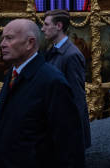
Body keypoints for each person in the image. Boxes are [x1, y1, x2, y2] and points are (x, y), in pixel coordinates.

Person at [0, 18, 85, 168]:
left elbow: (69, 145)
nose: (2, 44)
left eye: (9, 38)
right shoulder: (13, 73)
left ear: (30, 43)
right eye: (2, 38)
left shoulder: (52, 81)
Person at [42, 9, 91, 149]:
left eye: (46, 24)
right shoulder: (54, 50)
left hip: (65, 130)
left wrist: (74, 134)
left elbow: (77, 96)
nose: (42, 28)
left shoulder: (71, 55)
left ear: (58, 26)